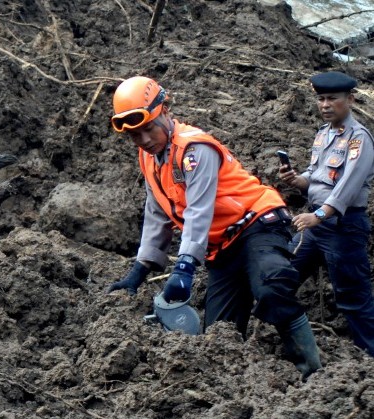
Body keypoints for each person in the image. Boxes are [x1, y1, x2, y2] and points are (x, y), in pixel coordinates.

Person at [107, 75, 322, 380]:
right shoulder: (150, 158)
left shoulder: (194, 149)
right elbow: (157, 211)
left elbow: (198, 210)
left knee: (272, 288)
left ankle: (313, 373)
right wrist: (139, 270)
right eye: (134, 135)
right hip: (222, 247)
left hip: (257, 224)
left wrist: (184, 266)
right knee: (220, 336)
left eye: (148, 129)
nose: (143, 140)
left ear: (165, 110)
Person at [279, 71, 374, 357]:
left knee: (352, 298)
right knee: (283, 275)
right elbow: (317, 175)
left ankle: (369, 358)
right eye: (321, 99)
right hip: (316, 227)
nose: (325, 104)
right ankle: (287, 341)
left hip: (343, 228)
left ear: (350, 100)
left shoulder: (360, 140)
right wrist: (296, 180)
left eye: (332, 98)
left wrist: (317, 216)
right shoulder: (324, 134)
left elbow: (346, 189)